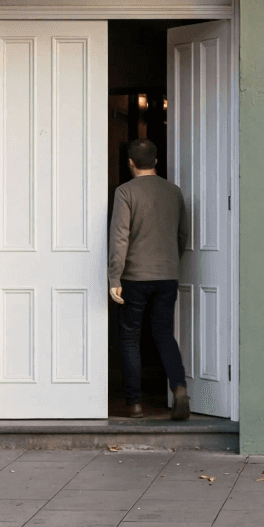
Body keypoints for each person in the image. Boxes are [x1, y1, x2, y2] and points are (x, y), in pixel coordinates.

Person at [108, 138, 191, 420]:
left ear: (130, 163)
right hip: (166, 275)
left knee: (131, 337)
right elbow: (183, 235)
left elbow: (120, 237)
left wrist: (114, 276)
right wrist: (170, 262)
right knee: (164, 334)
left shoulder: (125, 192)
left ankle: (134, 403)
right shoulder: (173, 192)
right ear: (156, 161)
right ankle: (179, 388)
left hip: (134, 276)